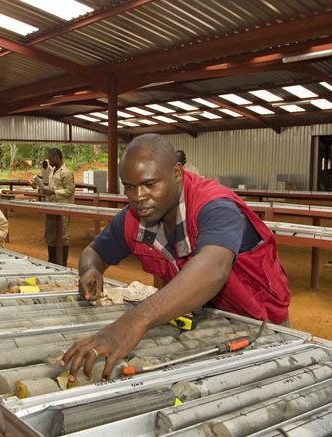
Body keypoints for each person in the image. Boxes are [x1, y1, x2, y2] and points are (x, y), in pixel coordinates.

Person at [60, 133, 290, 382]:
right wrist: (91, 270)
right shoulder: (136, 217)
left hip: (259, 327)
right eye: (129, 186)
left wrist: (132, 323)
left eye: (150, 184)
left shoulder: (216, 207)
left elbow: (214, 269)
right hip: (204, 322)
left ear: (177, 173)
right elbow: (94, 252)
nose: (138, 196)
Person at [42, 148, 75, 265]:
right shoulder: (52, 171)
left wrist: (54, 192)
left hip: (63, 207)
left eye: (50, 159)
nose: (49, 161)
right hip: (51, 206)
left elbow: (70, 191)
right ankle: (51, 261)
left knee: (62, 235)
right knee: (50, 233)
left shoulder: (66, 172)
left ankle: (62, 262)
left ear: (56, 157)